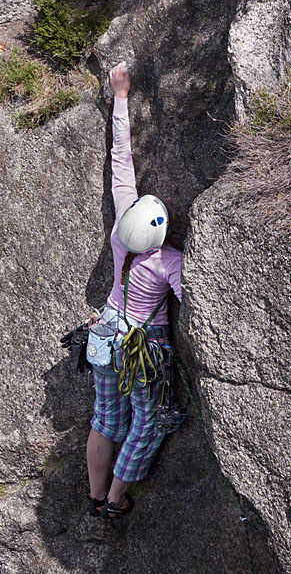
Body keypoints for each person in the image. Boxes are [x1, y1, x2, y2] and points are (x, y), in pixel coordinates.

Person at [86, 62, 182, 519]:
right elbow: (198, 302)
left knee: (107, 420)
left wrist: (119, 96)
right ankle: (113, 500)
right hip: (144, 347)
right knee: (147, 422)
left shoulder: (121, 231)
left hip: (104, 332)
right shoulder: (169, 262)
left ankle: (93, 494)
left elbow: (120, 162)